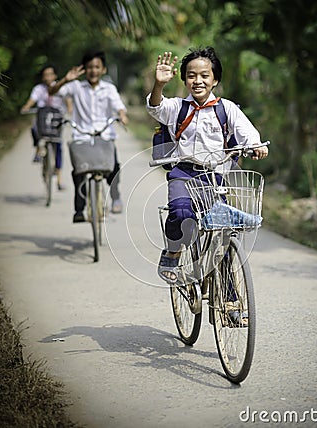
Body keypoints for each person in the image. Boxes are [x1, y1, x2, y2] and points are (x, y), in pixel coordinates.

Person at [146, 47, 269, 283]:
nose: (198, 80)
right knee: (181, 213)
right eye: (191, 75)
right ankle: (173, 252)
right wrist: (159, 85)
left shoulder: (227, 109)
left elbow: (247, 132)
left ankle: (229, 299)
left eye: (204, 75)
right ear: (184, 80)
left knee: (222, 238)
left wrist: (257, 145)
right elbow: (155, 108)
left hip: (215, 178)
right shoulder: (177, 107)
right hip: (183, 173)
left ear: (215, 80)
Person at [48, 50, 128, 222]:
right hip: (81, 136)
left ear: (103, 69)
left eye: (97, 67)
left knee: (113, 166)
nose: (93, 70)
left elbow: (118, 105)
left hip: (104, 134)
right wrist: (65, 80)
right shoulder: (75, 87)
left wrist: (122, 115)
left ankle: (116, 196)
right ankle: (79, 210)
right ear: (85, 69)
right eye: (90, 67)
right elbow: (52, 92)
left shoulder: (109, 88)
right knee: (79, 172)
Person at [21, 64, 70, 190]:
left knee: (58, 146)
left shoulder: (60, 87)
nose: (48, 77)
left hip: (56, 119)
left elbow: (67, 99)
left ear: (55, 76)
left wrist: (70, 109)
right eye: (45, 75)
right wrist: (26, 107)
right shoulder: (39, 89)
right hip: (42, 117)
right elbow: (32, 100)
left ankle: (59, 179)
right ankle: (38, 148)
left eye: (50, 74)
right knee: (34, 127)